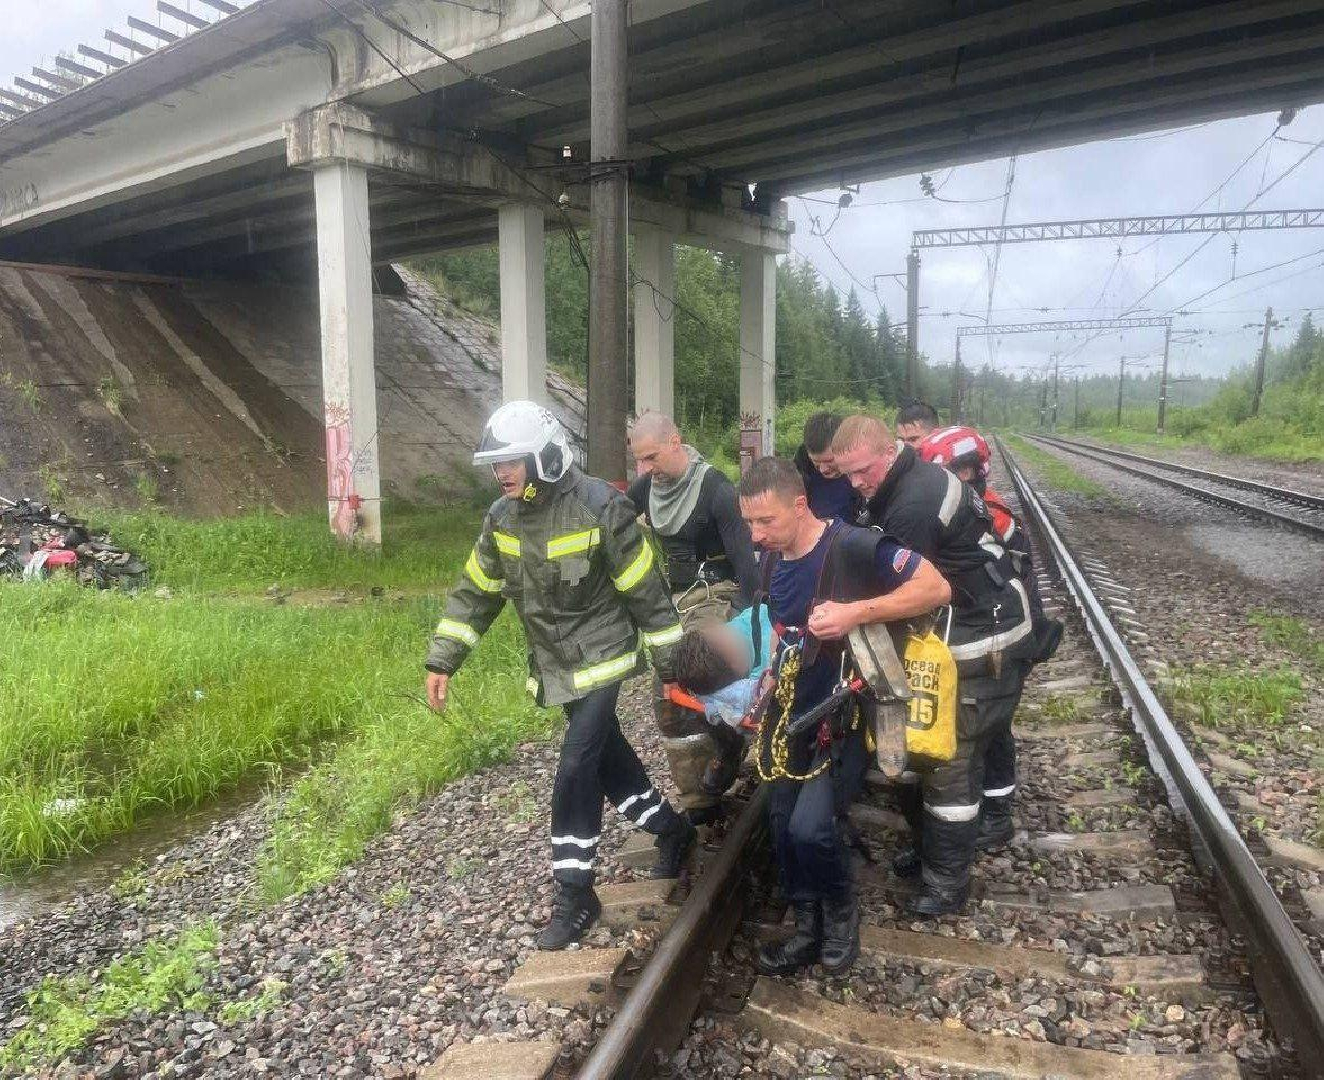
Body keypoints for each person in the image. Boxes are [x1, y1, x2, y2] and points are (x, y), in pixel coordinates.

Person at [425, 401, 695, 950]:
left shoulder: (601, 506)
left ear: (543, 457)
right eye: (495, 465)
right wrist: (442, 659)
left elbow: (645, 589)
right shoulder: (501, 519)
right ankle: (673, 830)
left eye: (511, 463)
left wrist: (672, 668)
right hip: (556, 664)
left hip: (604, 654)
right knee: (606, 757)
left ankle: (575, 893)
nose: (501, 474)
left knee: (575, 764)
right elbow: (475, 591)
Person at [738, 457, 951, 974]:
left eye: (766, 521)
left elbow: (936, 588)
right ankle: (806, 927)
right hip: (791, 713)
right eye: (748, 523)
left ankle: (840, 919)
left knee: (812, 828)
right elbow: (782, 624)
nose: (756, 534)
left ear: (800, 505)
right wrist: (769, 675)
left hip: (844, 714)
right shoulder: (771, 559)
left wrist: (855, 612)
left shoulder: (853, 545)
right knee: (782, 822)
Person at [831, 415, 1035, 915]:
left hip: (981, 639)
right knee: (926, 754)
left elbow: (905, 591)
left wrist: (848, 618)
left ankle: (947, 883)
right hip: (960, 627)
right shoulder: (899, 483)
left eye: (861, 472)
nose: (855, 484)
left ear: (889, 451)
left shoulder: (916, 502)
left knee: (949, 762)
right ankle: (930, 854)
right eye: (847, 475)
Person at [916, 425, 1062, 853]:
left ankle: (996, 815)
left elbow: (1012, 578)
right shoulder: (976, 508)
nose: (961, 477)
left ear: (977, 469)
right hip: (994, 629)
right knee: (986, 727)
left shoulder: (988, 514)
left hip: (1002, 633)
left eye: (965, 469)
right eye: (953, 470)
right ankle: (989, 807)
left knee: (992, 729)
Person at [627, 412, 760, 821]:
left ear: (675, 441)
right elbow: (610, 513)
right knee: (667, 698)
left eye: (650, 458)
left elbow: (746, 562)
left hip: (718, 596)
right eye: (638, 461)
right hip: (677, 601)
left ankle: (730, 743)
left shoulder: (716, 489)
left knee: (686, 675)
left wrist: (754, 619)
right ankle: (698, 798)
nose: (644, 470)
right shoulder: (649, 486)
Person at [793, 411, 856, 521]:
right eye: (816, 462)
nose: (823, 469)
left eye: (829, 461)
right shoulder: (796, 477)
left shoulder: (864, 473)